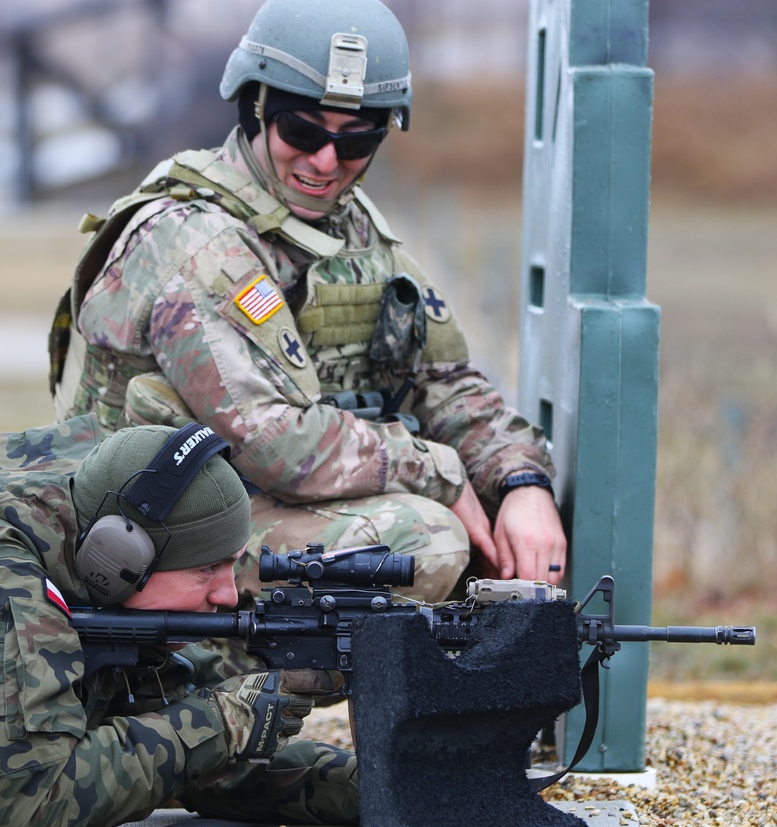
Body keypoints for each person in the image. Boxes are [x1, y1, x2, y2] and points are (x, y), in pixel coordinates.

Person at [50, 0, 566, 604]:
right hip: (154, 545)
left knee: (519, 540)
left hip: (252, 514)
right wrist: (441, 474)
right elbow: (276, 446)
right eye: (303, 131)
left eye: (357, 141)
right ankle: (235, 690)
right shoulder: (194, 241)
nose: (325, 162)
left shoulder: (351, 231)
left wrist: (522, 481)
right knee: (428, 540)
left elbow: (447, 384)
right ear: (255, 108)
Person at [0, 415, 356, 827]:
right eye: (206, 569)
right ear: (117, 557)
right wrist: (223, 721)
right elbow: (31, 804)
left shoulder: (99, 593)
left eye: (231, 565)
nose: (228, 595)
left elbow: (204, 767)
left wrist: (375, 786)